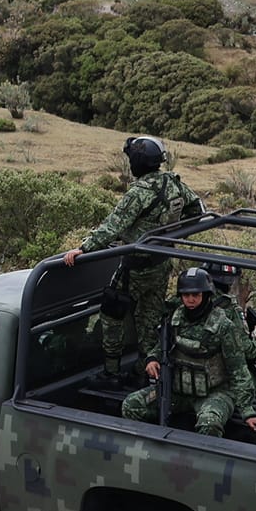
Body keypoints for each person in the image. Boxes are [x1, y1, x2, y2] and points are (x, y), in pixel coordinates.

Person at [62, 135, 204, 385]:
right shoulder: (173, 183)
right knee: (150, 318)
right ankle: (142, 371)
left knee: (111, 312)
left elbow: (114, 226)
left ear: (137, 163)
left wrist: (84, 248)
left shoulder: (139, 192)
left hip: (135, 267)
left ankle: (112, 373)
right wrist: (169, 232)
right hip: (161, 263)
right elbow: (197, 211)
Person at [121, 268, 256, 437]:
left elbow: (238, 371)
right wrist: (152, 359)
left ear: (206, 295)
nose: (191, 300)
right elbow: (162, 345)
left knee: (210, 424)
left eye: (196, 295)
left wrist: (248, 412)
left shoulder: (223, 326)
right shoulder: (174, 318)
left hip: (214, 393)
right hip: (177, 391)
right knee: (132, 405)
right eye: (186, 296)